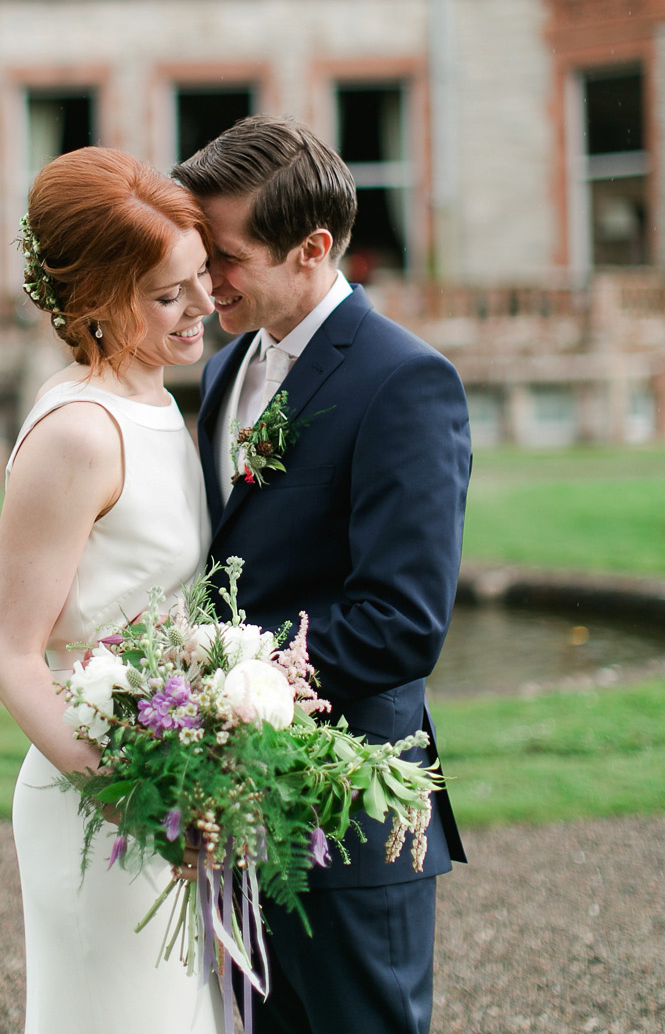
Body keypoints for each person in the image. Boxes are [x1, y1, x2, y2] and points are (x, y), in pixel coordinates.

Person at [173, 115, 472, 1034]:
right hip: (241, 810)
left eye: (225, 256)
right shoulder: (227, 370)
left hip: (349, 825)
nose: (203, 281)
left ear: (311, 248)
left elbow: (401, 621)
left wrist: (222, 676)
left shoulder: (405, 382)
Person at [0, 147, 221, 1034]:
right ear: (95, 302)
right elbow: (11, 651)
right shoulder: (79, 433)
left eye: (200, 276)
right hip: (104, 808)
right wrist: (129, 797)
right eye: (169, 294)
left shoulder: (158, 400)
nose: (202, 305)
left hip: (171, 781)